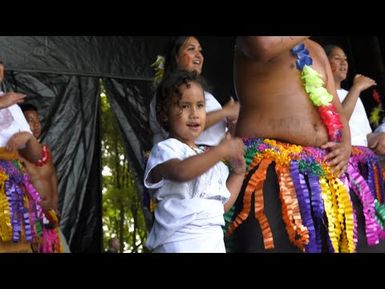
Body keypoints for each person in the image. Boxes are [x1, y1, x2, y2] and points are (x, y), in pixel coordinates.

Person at [228, 36, 385, 253]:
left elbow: (335, 106)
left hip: (323, 166)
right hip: (269, 169)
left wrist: (345, 144)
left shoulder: (316, 49)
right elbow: (262, 47)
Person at [144, 70, 245, 252]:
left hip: (212, 242)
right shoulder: (166, 149)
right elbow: (181, 172)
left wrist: (238, 174)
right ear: (164, 113)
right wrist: (221, 150)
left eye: (200, 106)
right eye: (184, 106)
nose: (194, 113)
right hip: (179, 242)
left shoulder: (208, 159)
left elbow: (219, 206)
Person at [149, 36, 240, 146]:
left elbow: (225, 134)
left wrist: (232, 122)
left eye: (200, 51)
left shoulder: (206, 94)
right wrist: (224, 112)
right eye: (191, 49)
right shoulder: (167, 92)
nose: (199, 56)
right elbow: (177, 126)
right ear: (176, 57)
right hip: (188, 159)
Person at [0, 61, 45, 253]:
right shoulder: (5, 101)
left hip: (14, 188)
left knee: (18, 244)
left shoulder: (12, 105)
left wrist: (27, 137)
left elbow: (35, 155)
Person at [19, 103, 70, 253]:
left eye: (38, 120)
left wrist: (54, 205)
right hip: (27, 224)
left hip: (50, 220)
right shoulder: (13, 153)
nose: (35, 125)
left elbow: (53, 178)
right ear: (19, 122)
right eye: (30, 120)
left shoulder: (46, 151)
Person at [324, 44, 385, 154]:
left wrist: (380, 138)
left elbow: (366, 136)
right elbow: (336, 126)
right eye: (337, 58)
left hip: (365, 158)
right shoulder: (321, 94)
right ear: (324, 63)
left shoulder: (352, 95)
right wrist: (356, 88)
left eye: (345, 59)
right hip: (345, 159)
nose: (343, 63)